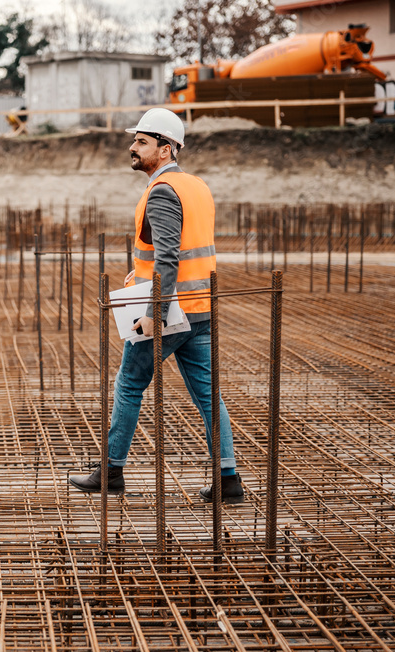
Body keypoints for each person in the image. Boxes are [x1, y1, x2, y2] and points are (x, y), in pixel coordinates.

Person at [69, 107, 244, 504]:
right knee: (208, 395)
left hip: (171, 313)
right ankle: (228, 478)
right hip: (201, 309)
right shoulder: (196, 186)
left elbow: (169, 257)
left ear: (165, 150)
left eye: (142, 142)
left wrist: (154, 315)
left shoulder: (162, 191)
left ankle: (111, 471)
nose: (132, 147)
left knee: (129, 384)